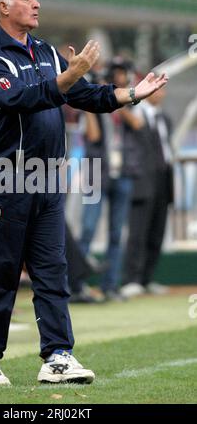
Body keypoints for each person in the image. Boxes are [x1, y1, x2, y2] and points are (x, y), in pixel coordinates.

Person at [0, 0, 168, 386]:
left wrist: (132, 93)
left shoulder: (44, 51)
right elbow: (24, 99)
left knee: (53, 268)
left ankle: (58, 356)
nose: (37, 4)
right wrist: (70, 74)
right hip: (6, 177)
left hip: (48, 175)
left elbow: (85, 95)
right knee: (0, 269)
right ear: (4, 8)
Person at [79, 59, 144, 301]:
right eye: (114, 74)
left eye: (122, 74)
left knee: (117, 233)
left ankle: (110, 285)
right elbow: (93, 134)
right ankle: (77, 285)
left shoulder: (131, 101)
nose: (119, 78)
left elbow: (137, 123)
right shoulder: (91, 100)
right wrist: (93, 100)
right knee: (88, 228)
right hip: (96, 170)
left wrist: (116, 99)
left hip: (123, 171)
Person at [121, 88, 173, 297]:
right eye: (156, 88)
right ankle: (131, 279)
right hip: (142, 179)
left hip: (164, 177)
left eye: (162, 89)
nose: (159, 93)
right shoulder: (135, 113)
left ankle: (147, 278)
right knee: (138, 231)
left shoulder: (165, 118)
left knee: (157, 231)